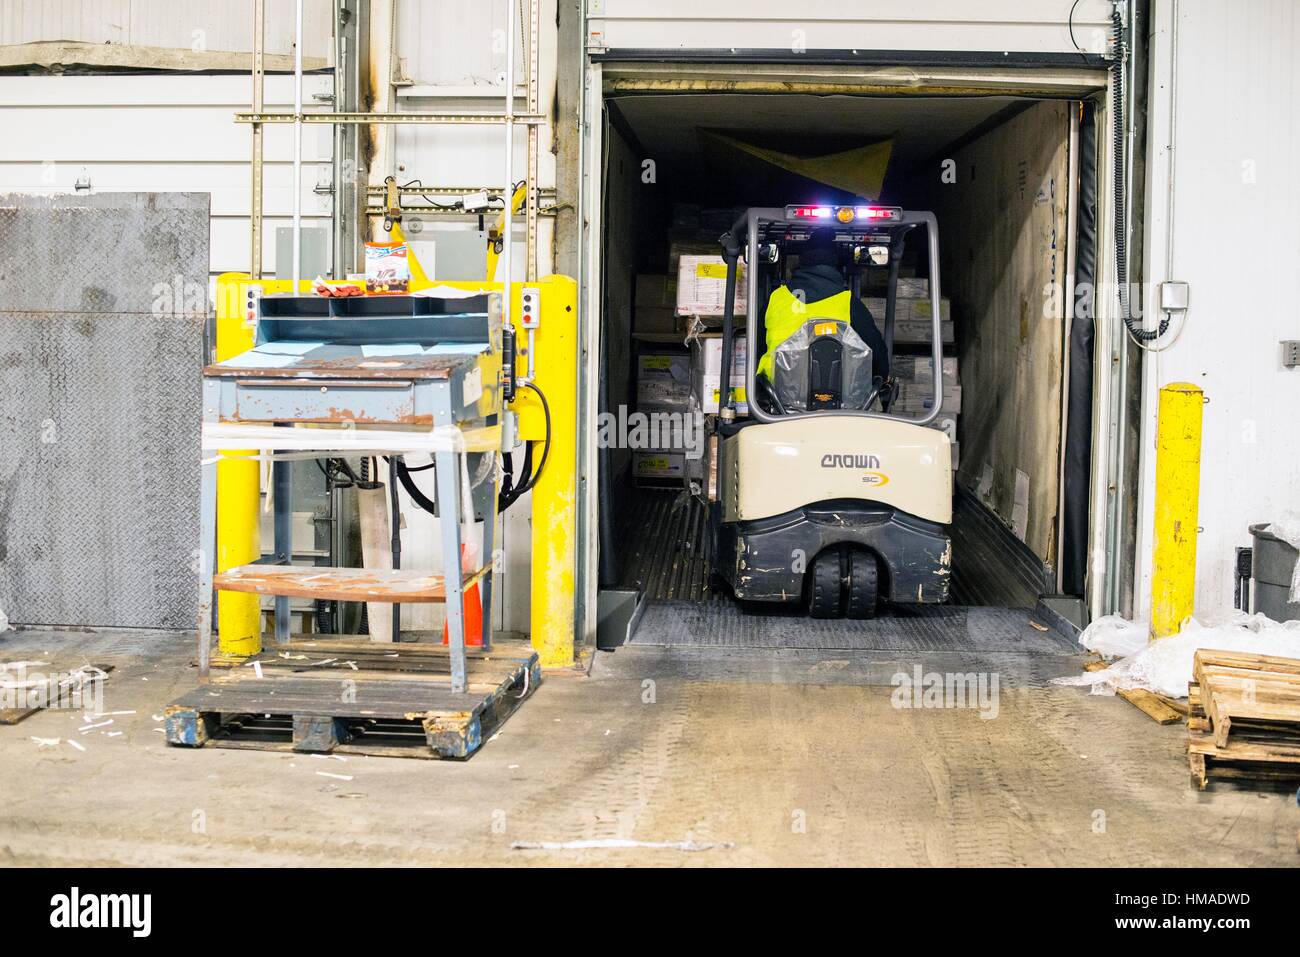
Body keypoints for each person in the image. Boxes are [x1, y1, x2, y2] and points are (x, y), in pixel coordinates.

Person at [756, 225, 889, 385]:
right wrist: (880, 376)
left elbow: (758, 347)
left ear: (802, 262)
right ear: (835, 265)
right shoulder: (848, 303)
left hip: (777, 392)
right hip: (838, 394)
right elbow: (876, 351)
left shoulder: (776, 298)